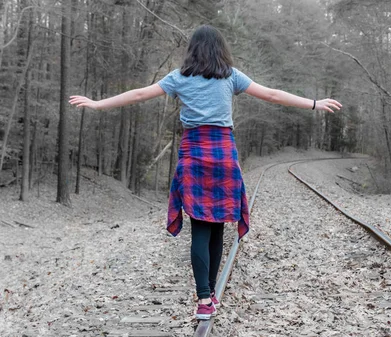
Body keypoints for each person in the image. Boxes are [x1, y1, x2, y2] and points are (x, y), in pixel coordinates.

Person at [69, 24, 342, 320]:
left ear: (192, 50)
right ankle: (210, 293)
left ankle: (204, 298)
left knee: (200, 226)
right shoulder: (231, 77)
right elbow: (273, 95)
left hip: (194, 155)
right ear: (220, 50)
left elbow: (138, 94)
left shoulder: (179, 78)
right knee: (218, 225)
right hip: (223, 154)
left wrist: (98, 104)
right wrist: (313, 103)